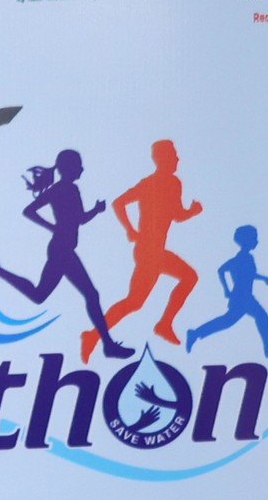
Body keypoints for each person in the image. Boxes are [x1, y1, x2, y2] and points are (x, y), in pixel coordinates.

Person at [0, 148, 131, 359]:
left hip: (64, 249)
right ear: (69, 168)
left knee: (68, 295)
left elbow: (78, 219)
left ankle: (108, 345)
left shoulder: (69, 189)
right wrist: (55, 227)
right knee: (63, 295)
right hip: (61, 250)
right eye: (78, 165)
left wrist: (94, 211)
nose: (82, 169)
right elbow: (30, 211)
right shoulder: (64, 189)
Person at [86, 139, 203, 361]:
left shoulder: (174, 184)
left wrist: (192, 211)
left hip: (157, 251)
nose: (177, 159)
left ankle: (162, 324)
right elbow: (119, 203)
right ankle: (94, 335)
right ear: (162, 158)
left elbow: (177, 215)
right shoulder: (149, 183)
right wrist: (131, 230)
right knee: (136, 301)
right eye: (173, 155)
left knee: (141, 299)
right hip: (148, 252)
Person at [186, 224, 268, 358]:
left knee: (234, 320)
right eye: (253, 238)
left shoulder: (248, 258)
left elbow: (250, 274)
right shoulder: (240, 258)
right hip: (241, 297)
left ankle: (196, 333)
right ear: (247, 241)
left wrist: (262, 278)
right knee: (240, 319)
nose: (256, 241)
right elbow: (221, 270)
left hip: (246, 296)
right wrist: (226, 290)